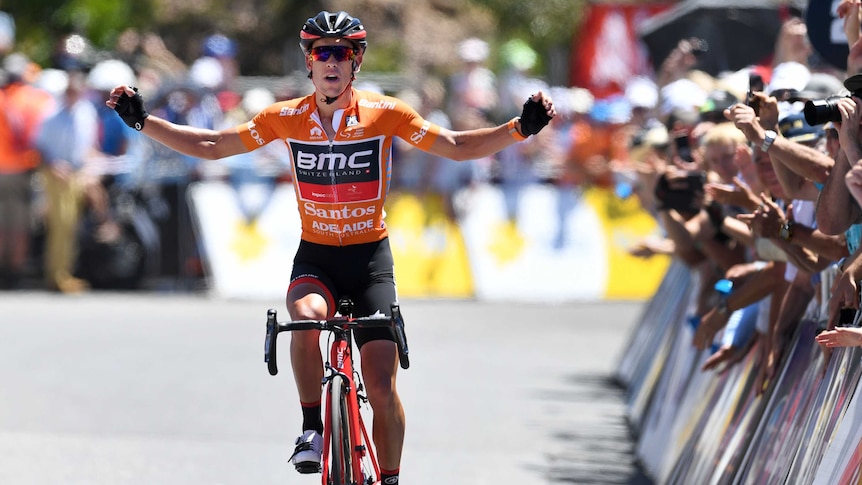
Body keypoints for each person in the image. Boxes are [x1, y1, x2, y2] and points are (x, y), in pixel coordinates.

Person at [106, 10, 555, 483]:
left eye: (343, 52)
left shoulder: (387, 114)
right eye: (322, 52)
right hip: (317, 255)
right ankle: (311, 429)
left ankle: (391, 476)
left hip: (369, 262)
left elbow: (457, 145)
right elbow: (215, 145)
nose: (332, 61)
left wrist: (518, 129)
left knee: (381, 386)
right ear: (310, 61)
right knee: (304, 319)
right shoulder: (286, 118)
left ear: (356, 61)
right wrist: (144, 122)